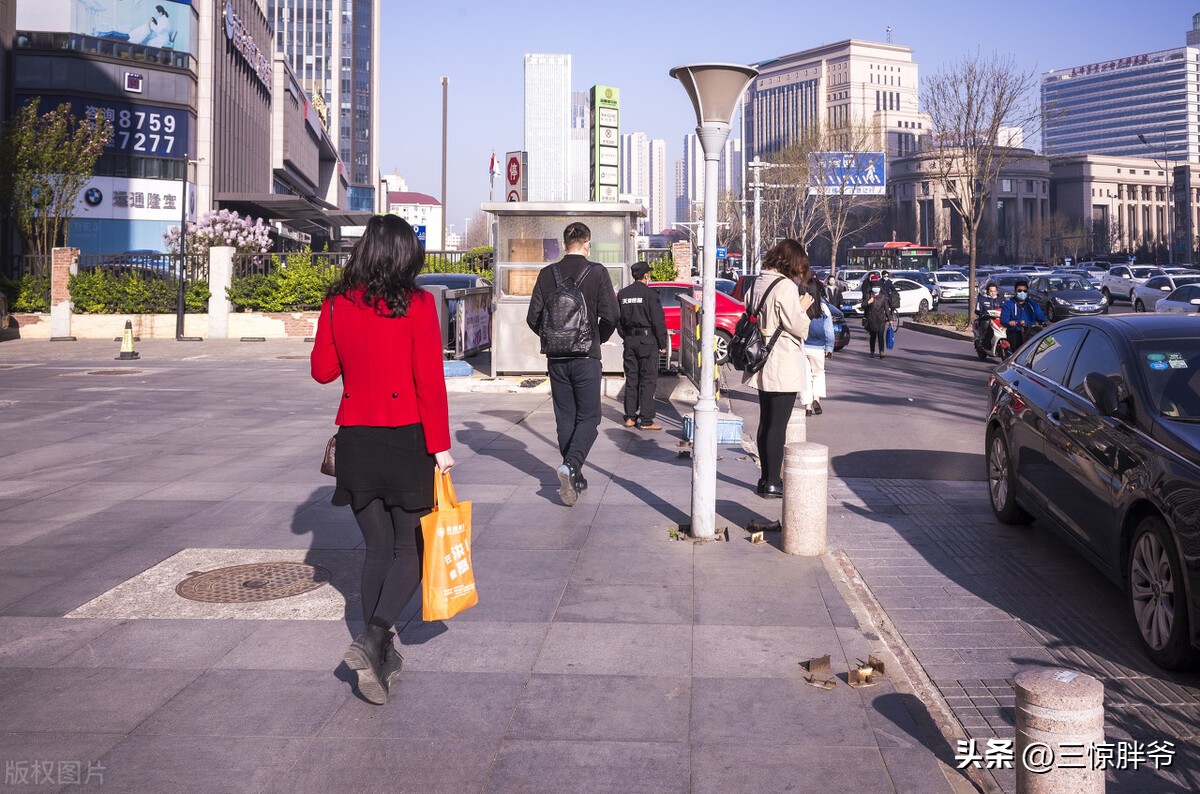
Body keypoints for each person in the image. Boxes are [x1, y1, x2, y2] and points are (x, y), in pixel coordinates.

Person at [310, 214, 454, 706]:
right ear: (405, 254)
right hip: (407, 439)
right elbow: (429, 382)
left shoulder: (335, 303)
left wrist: (334, 324)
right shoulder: (417, 304)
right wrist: (441, 446)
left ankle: (380, 653)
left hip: (356, 441)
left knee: (376, 549)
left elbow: (323, 372)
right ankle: (372, 639)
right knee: (412, 549)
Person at [527, 222, 619, 507]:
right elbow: (612, 315)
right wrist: (596, 339)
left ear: (564, 244)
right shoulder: (597, 272)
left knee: (565, 417)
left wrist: (553, 339)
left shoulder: (546, 274)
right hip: (586, 358)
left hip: (556, 359)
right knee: (590, 417)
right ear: (587, 244)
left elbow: (533, 318)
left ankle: (574, 475)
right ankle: (571, 467)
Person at [745, 240, 814, 499]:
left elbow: (750, 308)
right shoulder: (784, 287)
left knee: (767, 421)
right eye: (799, 269)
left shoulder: (759, 281)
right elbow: (798, 326)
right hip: (781, 361)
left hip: (762, 359)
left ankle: (765, 479)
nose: (799, 275)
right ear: (791, 262)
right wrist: (803, 308)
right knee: (778, 425)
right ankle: (774, 481)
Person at [617, 261, 668, 430]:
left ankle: (630, 417)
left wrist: (626, 335)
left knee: (632, 379)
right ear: (646, 275)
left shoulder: (623, 294)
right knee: (647, 380)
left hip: (630, 341)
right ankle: (646, 420)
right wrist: (662, 343)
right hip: (648, 341)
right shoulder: (650, 294)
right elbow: (658, 321)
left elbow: (618, 320)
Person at [800, 277, 834, 416]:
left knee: (805, 376)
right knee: (818, 374)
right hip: (818, 347)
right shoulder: (823, 307)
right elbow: (829, 331)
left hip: (802, 345)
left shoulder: (800, 305)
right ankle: (816, 399)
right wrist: (829, 348)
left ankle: (807, 406)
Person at [1000, 278, 1048, 348]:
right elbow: (1004, 320)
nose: (1022, 293)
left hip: (1030, 332)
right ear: (1015, 291)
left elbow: (1040, 316)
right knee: (1017, 350)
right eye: (1020, 291)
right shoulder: (1008, 305)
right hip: (1015, 333)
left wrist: (1047, 322)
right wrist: (1012, 323)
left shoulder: (1032, 304)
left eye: (1025, 291)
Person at [862, 280, 893, 358]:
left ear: (880, 288)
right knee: (873, 336)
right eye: (874, 287)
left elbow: (886, 308)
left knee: (880, 336)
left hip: (881, 319)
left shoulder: (883, 297)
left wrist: (890, 319)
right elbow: (863, 305)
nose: (876, 288)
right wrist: (868, 302)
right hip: (871, 318)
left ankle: (881, 352)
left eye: (877, 287)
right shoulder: (868, 295)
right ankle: (872, 351)